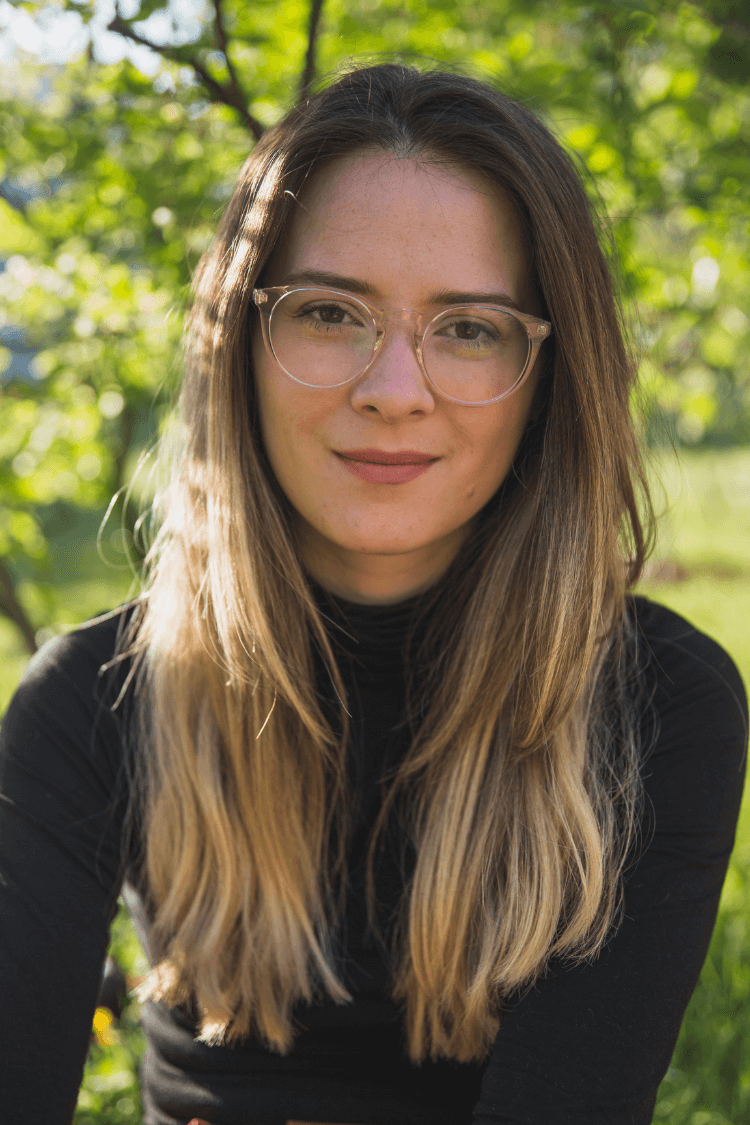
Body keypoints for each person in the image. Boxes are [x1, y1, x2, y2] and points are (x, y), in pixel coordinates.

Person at [0, 64, 747, 1125]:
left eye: (471, 328)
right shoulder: (95, 700)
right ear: (239, 346)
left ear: (550, 379)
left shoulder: (656, 706)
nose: (394, 390)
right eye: (329, 313)